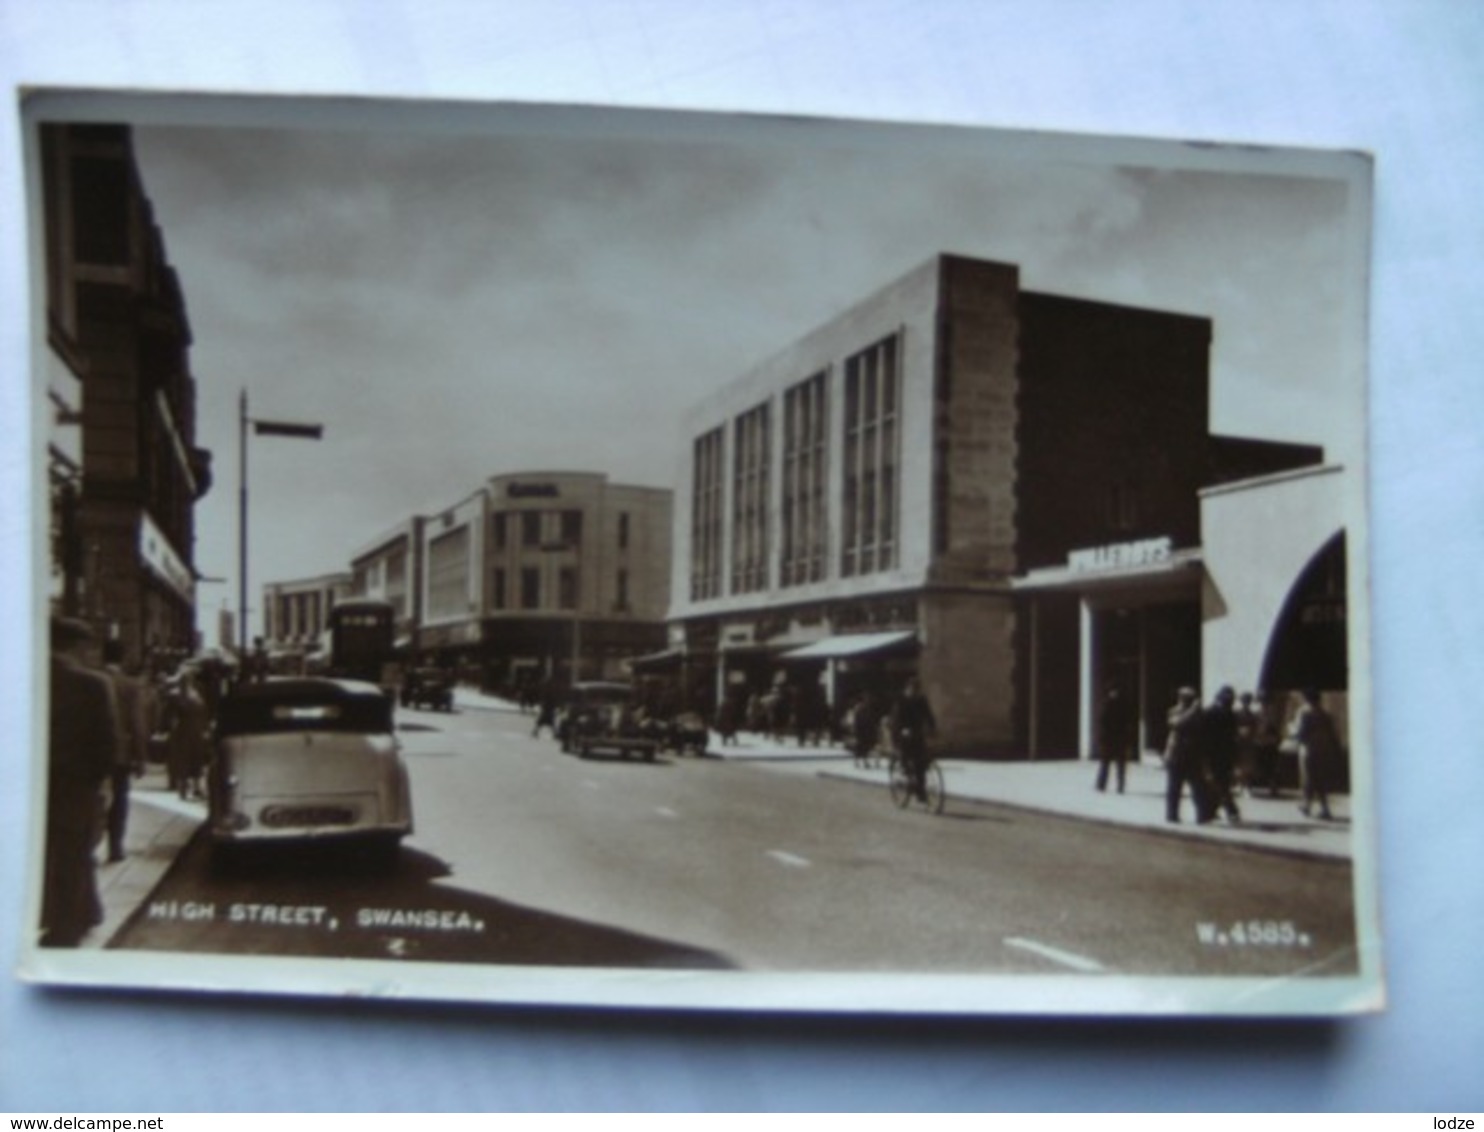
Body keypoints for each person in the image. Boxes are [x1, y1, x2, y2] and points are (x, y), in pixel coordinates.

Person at [42, 617, 120, 947]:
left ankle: (88, 911)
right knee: (75, 851)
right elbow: (107, 740)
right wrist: (103, 780)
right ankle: (66, 928)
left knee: (48, 852)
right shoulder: (92, 683)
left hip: (35, 782)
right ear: (77, 646)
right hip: (76, 783)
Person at [100, 638, 151, 863]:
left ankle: (89, 847)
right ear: (123, 658)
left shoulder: (92, 679)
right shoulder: (129, 686)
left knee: (94, 800)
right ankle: (115, 847)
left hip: (91, 753)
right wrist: (140, 758)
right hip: (120, 754)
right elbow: (137, 724)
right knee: (119, 800)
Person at [1290, 688, 1340, 820]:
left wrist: (1292, 731)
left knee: (1308, 778)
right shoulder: (1325, 713)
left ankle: (1306, 806)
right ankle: (1324, 808)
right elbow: (1333, 734)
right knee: (1321, 779)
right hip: (1324, 748)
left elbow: (1300, 733)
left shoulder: (1304, 712)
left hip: (1308, 748)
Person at [1200, 685, 1242, 824]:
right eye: (1227, 699)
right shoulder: (1210, 713)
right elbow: (1204, 735)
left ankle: (1210, 811)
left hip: (1225, 753)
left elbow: (1234, 736)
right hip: (1213, 753)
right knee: (1220, 783)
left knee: (1220, 783)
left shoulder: (1230, 714)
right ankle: (1231, 810)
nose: (1229, 702)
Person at [1163, 686, 1205, 824]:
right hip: (1176, 754)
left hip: (1192, 754)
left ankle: (1202, 814)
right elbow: (1178, 724)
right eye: (1186, 698)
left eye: (1190, 698)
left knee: (1198, 787)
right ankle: (1172, 814)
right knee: (1174, 787)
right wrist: (1192, 710)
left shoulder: (1197, 713)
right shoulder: (1174, 711)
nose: (1188, 701)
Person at [891, 678, 937, 802]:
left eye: (917, 690)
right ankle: (904, 769)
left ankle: (920, 792)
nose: (914, 692)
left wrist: (932, 728)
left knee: (921, 763)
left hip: (916, 734)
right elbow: (897, 719)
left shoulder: (921, 700)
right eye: (912, 689)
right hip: (902, 734)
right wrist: (902, 729)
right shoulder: (901, 701)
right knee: (905, 754)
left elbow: (929, 715)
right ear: (907, 689)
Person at [1094, 685, 1134, 793]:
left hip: (1117, 738)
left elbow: (1128, 722)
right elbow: (1102, 722)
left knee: (1119, 764)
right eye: (1113, 691)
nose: (1115, 693)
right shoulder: (1108, 704)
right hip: (1110, 738)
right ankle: (1102, 785)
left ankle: (1119, 786)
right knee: (1106, 763)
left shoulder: (1119, 704)